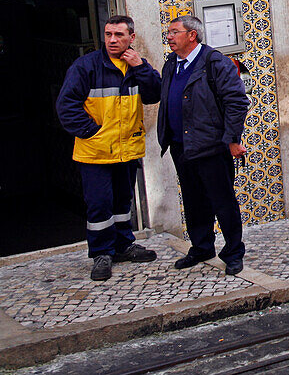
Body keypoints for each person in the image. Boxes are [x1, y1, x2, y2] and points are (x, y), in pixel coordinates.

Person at [55, 15, 161, 281]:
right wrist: (93, 132)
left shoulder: (136, 65)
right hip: (96, 152)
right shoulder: (86, 66)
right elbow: (66, 106)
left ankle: (123, 245)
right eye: (108, 34)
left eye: (119, 35)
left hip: (126, 150)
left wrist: (141, 67)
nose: (112, 40)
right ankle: (101, 253)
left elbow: (154, 94)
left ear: (131, 38)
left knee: (122, 204)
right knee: (99, 205)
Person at [157, 15, 249, 275]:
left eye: (175, 32)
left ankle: (233, 252)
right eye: (169, 32)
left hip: (211, 146)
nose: (169, 36)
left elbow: (237, 102)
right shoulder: (171, 64)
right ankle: (202, 247)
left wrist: (232, 139)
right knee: (193, 200)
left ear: (192, 35)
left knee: (222, 201)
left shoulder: (214, 62)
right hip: (180, 145)